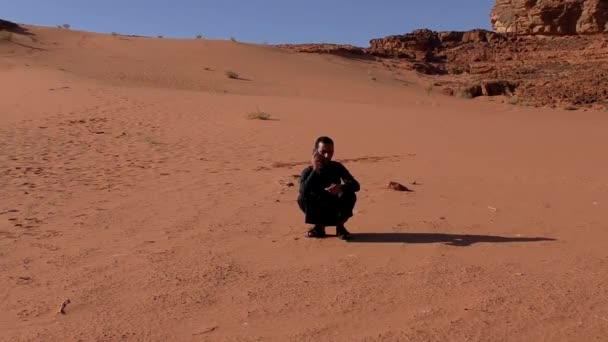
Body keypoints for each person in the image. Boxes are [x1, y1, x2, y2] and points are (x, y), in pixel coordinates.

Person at [297, 136, 360, 240]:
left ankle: (340, 227)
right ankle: (319, 226)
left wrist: (341, 187)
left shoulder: (337, 167)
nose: (327, 155)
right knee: (301, 198)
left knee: (349, 194)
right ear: (315, 152)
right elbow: (303, 193)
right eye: (323, 151)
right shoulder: (307, 171)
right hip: (318, 208)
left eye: (330, 152)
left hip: (335, 206)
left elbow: (356, 186)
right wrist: (314, 170)